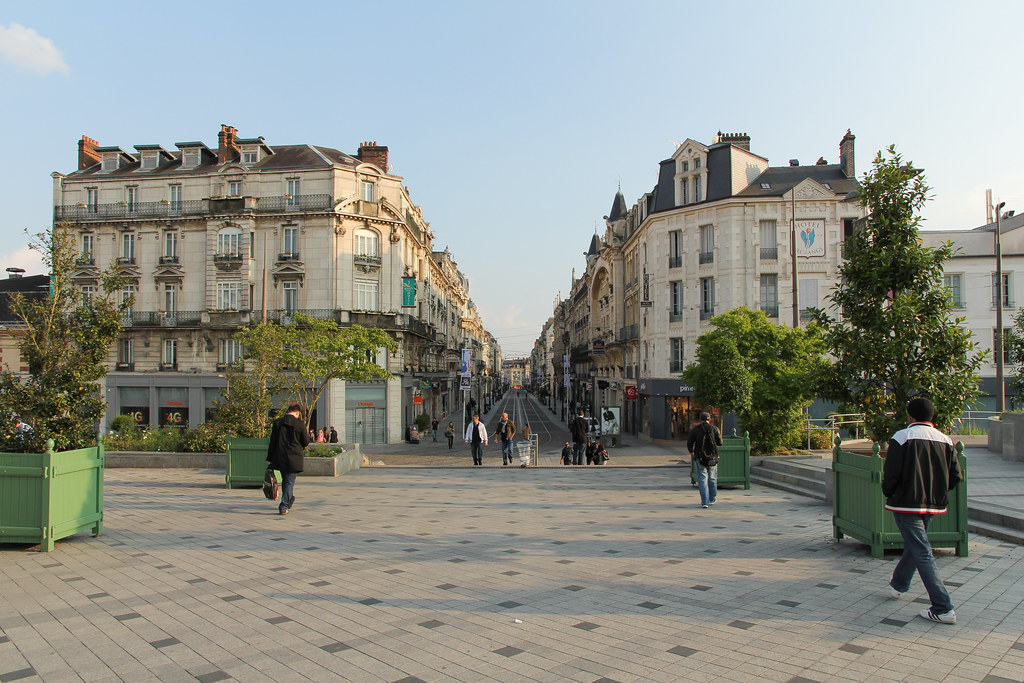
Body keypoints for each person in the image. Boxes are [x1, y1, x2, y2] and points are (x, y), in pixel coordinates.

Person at [882, 397, 962, 625]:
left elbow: (892, 473)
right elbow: (955, 475)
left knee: (922, 550)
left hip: (906, 502)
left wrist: (888, 491)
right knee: (918, 546)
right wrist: (939, 490)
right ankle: (899, 584)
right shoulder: (945, 440)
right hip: (933, 504)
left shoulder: (902, 437)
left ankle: (943, 607)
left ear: (911, 415)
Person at [266, 403, 311, 516]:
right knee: (288, 482)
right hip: (294, 457)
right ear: (297, 412)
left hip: (279, 457)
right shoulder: (299, 424)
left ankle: (289, 499)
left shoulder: (277, 423)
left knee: (287, 481)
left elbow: (272, 442)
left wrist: (270, 458)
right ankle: (284, 505)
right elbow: (305, 442)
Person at [687, 412, 723, 508]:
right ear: (709, 419)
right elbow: (720, 442)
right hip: (712, 456)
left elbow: (689, 442)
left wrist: (691, 451)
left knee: (702, 479)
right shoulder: (715, 429)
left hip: (700, 455)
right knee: (712, 478)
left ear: (700, 419)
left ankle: (705, 501)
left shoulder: (695, 429)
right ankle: (712, 498)